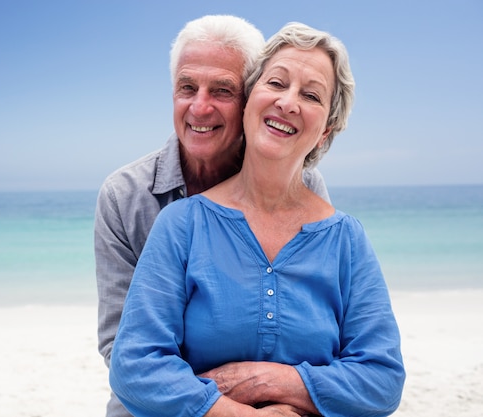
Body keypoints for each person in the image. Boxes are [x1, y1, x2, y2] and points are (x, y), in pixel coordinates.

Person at [109, 21, 406, 417]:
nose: (288, 103)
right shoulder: (181, 224)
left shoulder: (345, 238)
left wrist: (277, 381)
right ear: (250, 101)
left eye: (312, 95)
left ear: (326, 131)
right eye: (277, 84)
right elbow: (133, 365)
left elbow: (382, 379)